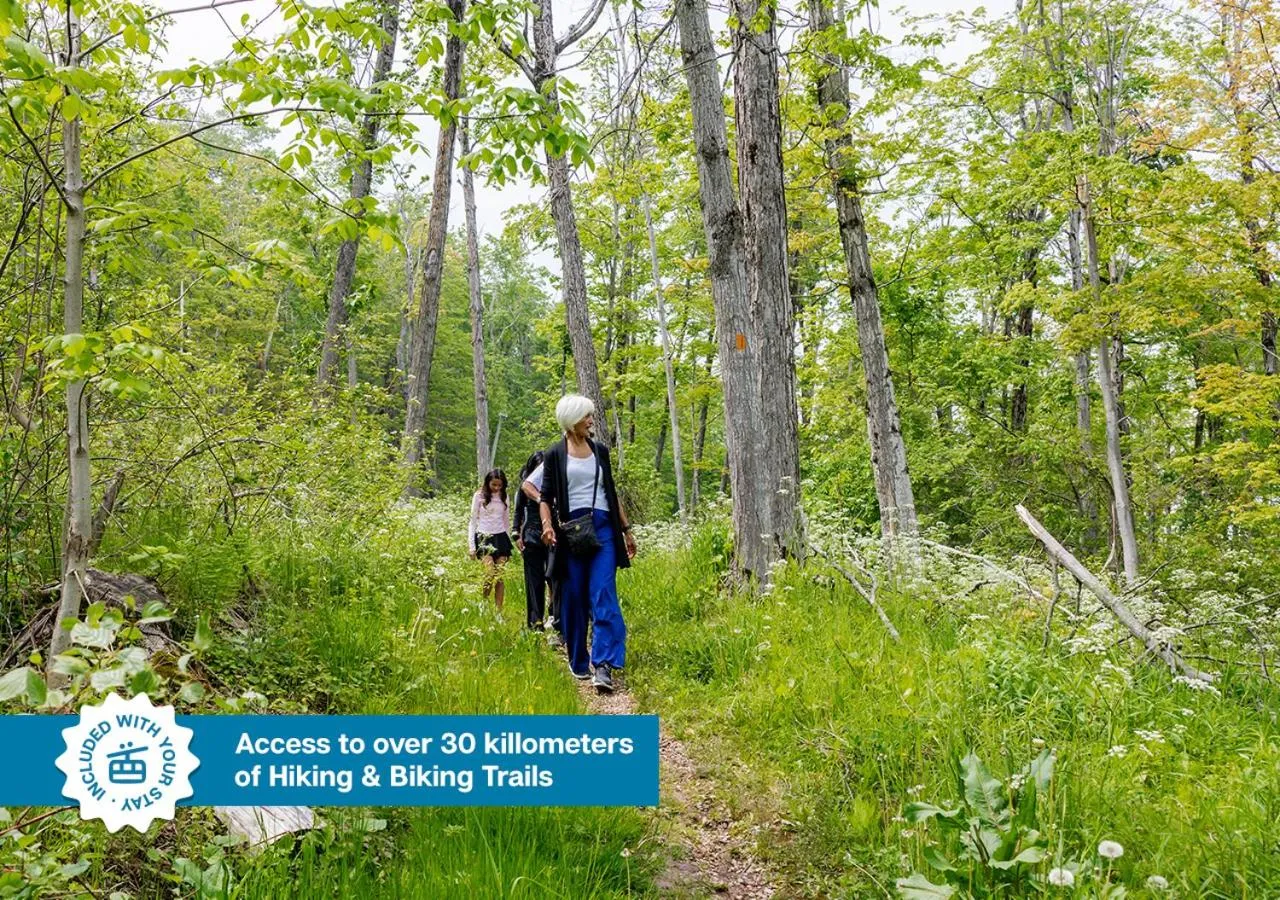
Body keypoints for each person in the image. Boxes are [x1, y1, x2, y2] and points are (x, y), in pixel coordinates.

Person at [523, 394, 637, 692]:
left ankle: (603, 664)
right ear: (572, 421)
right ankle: (578, 658)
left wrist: (626, 530)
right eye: (586, 416)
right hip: (570, 532)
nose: (591, 421)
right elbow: (545, 497)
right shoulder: (555, 454)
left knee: (603, 592)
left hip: (603, 528)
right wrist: (547, 526)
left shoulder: (600, 451)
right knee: (573, 597)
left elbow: (611, 493)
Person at [514, 451, 557, 637]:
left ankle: (554, 614)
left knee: (553, 575)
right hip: (531, 533)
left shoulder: (553, 486)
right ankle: (535, 622)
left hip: (552, 533)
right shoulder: (526, 489)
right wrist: (516, 534)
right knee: (534, 579)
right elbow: (517, 512)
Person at [467, 469, 513, 612]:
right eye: (494, 485)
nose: (497, 488)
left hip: (501, 537)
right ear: (488, 483)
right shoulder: (479, 496)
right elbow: (473, 521)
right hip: (484, 537)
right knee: (489, 572)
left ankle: (498, 611)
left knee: (499, 575)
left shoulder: (504, 497)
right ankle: (484, 603)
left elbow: (506, 522)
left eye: (500, 485)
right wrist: (472, 546)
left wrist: (509, 541)